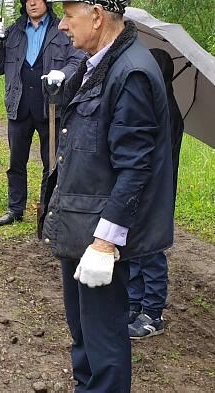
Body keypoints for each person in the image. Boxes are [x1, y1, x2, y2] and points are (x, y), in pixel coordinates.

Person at [41, 0, 173, 390]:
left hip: (99, 234)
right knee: (82, 333)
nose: (62, 25)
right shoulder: (98, 63)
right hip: (81, 221)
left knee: (102, 340)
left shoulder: (130, 72)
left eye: (68, 15)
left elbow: (136, 169)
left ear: (97, 15)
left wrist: (104, 244)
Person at [0, 0, 84, 226]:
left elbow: (78, 59)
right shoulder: (12, 31)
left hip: (51, 107)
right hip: (19, 106)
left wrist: (62, 73)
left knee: (51, 163)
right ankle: (15, 209)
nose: (32, 2)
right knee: (16, 162)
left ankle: (47, 211)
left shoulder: (61, 30)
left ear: (46, 2)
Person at [127, 48, 185, 340]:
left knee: (151, 250)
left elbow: (158, 159)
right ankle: (134, 303)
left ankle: (153, 313)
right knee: (135, 245)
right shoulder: (152, 105)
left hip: (157, 191)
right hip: (142, 188)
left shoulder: (168, 113)